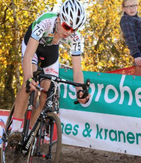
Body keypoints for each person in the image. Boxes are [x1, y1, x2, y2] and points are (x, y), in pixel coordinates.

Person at [8, 0, 90, 142]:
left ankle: (28, 136)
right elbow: (28, 56)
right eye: (66, 26)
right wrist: (28, 78)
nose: (69, 32)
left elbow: (77, 71)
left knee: (48, 92)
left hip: (51, 52)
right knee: (30, 84)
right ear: (59, 19)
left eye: (74, 30)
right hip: (33, 46)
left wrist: (80, 90)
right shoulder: (45, 22)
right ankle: (15, 129)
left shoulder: (75, 38)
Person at [120, 0, 141, 67]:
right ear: (123, 8)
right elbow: (130, 37)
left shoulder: (139, 19)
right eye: (128, 6)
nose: (131, 8)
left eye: (133, 6)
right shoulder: (126, 19)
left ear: (137, 6)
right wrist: (136, 54)